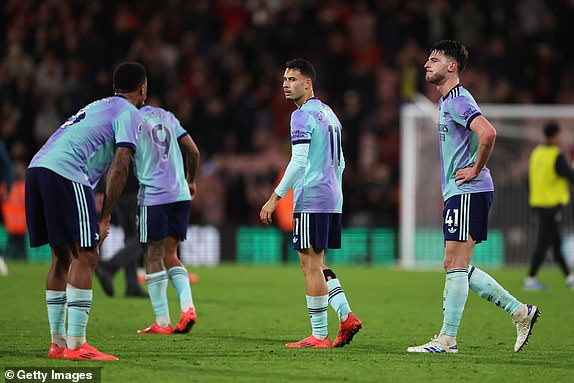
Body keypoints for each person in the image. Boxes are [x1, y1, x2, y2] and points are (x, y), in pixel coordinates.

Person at [407, 40, 540, 353]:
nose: (427, 64)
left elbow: (488, 132)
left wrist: (475, 168)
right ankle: (521, 312)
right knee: (456, 265)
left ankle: (447, 340)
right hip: (461, 192)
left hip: (468, 190)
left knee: (455, 263)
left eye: (434, 59)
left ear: (452, 66)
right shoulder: (444, 102)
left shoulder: (457, 99)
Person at [25, 62, 147, 360]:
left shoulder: (98, 105)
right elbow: (121, 164)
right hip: (66, 173)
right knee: (87, 254)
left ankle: (58, 344)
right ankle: (77, 345)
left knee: (62, 256)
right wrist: (104, 216)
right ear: (143, 88)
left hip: (36, 169)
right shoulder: (130, 112)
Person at [260, 58, 362, 348]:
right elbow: (341, 162)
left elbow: (299, 161)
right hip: (332, 197)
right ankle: (346, 316)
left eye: (292, 79)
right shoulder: (330, 115)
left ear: (308, 83)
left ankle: (319, 335)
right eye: (284, 80)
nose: (285, 85)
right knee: (318, 262)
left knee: (309, 265)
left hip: (313, 197)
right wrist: (334, 191)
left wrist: (274, 197)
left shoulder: (301, 116)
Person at [134, 103, 200, 335]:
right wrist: (191, 180)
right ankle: (188, 308)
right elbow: (193, 151)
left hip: (154, 195)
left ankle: (162, 322)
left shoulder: (129, 118)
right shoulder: (167, 116)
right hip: (180, 193)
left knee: (153, 254)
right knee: (171, 254)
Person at [526, 122, 574, 290]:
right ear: (554, 136)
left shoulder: (536, 153)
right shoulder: (556, 155)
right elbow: (569, 176)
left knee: (555, 241)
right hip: (552, 205)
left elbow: (528, 180)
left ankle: (569, 277)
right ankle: (530, 279)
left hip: (538, 203)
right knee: (544, 242)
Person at [94, 164, 147, 298]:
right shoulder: (139, 142)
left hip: (120, 193)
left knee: (131, 238)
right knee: (145, 237)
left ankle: (132, 286)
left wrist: (101, 189)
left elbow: (110, 161)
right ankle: (110, 267)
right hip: (136, 194)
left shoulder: (118, 142)